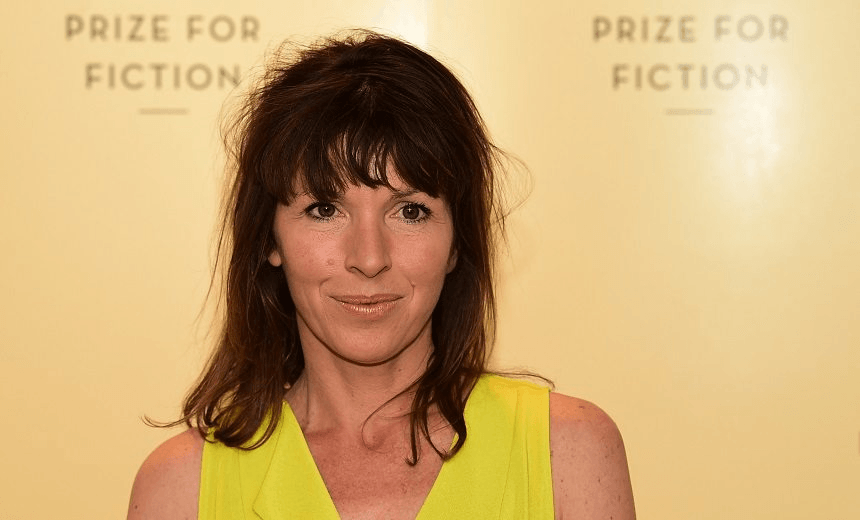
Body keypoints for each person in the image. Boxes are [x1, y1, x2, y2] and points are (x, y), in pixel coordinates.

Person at [127, 30, 635, 519]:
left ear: (458, 242)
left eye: (409, 211)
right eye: (325, 209)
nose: (369, 259)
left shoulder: (568, 453)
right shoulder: (179, 489)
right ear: (268, 238)